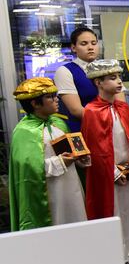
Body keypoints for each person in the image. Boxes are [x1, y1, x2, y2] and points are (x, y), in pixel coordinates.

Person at [80, 59, 129, 264]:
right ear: (99, 83)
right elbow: (95, 148)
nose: (119, 81)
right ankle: (116, 254)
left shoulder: (122, 107)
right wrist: (112, 171)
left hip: (128, 169)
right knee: (113, 212)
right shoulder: (91, 111)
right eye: (113, 78)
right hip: (108, 174)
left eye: (119, 77)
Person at [9, 77, 88, 231]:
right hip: (49, 193)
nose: (56, 99)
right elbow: (27, 170)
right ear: (35, 103)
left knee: (77, 224)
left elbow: (70, 151)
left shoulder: (58, 123)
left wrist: (80, 159)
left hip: (72, 188)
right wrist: (59, 162)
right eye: (50, 97)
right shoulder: (24, 131)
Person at [54, 27, 123, 132]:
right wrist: (105, 120)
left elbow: (121, 103)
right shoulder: (64, 71)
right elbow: (76, 110)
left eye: (94, 43)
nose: (90, 47)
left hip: (114, 128)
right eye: (84, 44)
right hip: (85, 130)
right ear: (73, 47)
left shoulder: (109, 67)